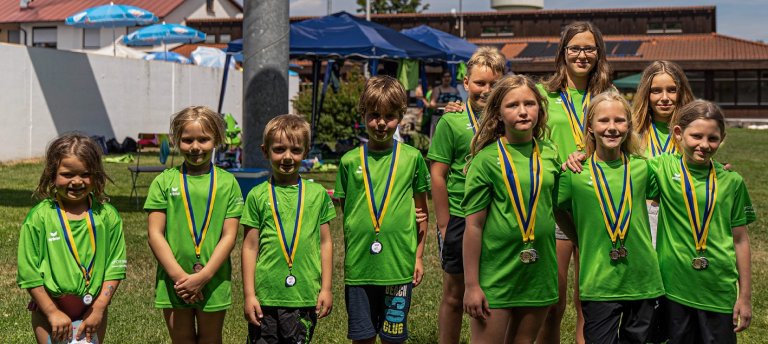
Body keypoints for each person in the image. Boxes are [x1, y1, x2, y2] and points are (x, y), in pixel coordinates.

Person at [556, 92, 665, 343]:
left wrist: (716, 168)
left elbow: (680, 180)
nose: (612, 127)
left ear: (629, 126)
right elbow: (557, 209)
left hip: (642, 280)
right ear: (590, 127)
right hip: (599, 282)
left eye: (619, 120)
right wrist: (578, 237)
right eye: (604, 120)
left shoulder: (642, 168)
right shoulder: (575, 173)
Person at [462, 75, 561, 343]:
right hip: (497, 275)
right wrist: (472, 285)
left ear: (539, 108)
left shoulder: (550, 152)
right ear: (498, 114)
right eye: (513, 105)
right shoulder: (486, 161)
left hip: (538, 273)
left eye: (529, 103)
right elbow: (474, 226)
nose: (523, 111)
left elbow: (560, 206)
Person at [334, 75, 430, 344]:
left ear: (400, 116)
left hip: (397, 267)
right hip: (360, 268)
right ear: (363, 115)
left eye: (389, 116)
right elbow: (348, 213)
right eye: (374, 115)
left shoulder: (412, 158)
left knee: (393, 338)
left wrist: (418, 257)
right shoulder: (348, 161)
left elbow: (422, 213)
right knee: (362, 337)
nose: (381, 123)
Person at [536, 21, 614, 344]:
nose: (582, 55)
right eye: (575, 48)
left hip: (598, 203)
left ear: (598, 53)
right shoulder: (543, 94)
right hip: (555, 203)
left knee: (588, 300)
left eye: (589, 49)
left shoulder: (607, 96)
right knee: (552, 301)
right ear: (563, 52)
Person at [651, 100, 754, 343]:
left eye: (713, 138)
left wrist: (745, 297)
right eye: (696, 136)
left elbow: (740, 240)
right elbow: (619, 167)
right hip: (674, 290)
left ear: (722, 139)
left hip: (718, 290)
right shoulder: (661, 169)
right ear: (678, 133)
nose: (704, 145)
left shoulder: (732, 181)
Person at [426, 46, 506, 344]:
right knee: (454, 293)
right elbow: (438, 174)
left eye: (494, 84)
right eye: (480, 83)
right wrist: (444, 224)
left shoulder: (508, 119)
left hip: (499, 216)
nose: (486, 90)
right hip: (461, 216)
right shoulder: (452, 121)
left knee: (494, 290)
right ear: (466, 83)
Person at [145, 106, 244, 343]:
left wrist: (204, 276)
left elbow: (229, 236)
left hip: (214, 278)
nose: (195, 147)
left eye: (203, 139)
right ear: (176, 141)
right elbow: (155, 234)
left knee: (211, 339)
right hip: (174, 282)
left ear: (216, 140)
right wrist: (180, 278)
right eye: (187, 140)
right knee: (182, 339)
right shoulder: (164, 182)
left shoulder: (228, 183)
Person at [17, 133, 126, 344]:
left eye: (85, 174)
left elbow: (116, 266)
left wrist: (99, 308)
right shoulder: (40, 217)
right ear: (52, 175)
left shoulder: (107, 216)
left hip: (93, 308)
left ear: (96, 175)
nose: (76, 181)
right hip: (49, 308)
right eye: (67, 174)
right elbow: (28, 272)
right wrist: (51, 311)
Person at [241, 114, 335, 343]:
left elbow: (325, 243)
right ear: (265, 151)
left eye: (295, 150)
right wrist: (249, 294)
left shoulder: (318, 195)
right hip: (266, 297)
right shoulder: (256, 195)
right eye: (279, 149)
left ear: (306, 151)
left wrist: (326, 288)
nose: (287, 157)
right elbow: (250, 247)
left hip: (304, 296)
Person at [630, 60, 695, 247]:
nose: (664, 98)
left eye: (672, 90)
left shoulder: (694, 131)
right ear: (646, 93)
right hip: (642, 218)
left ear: (681, 92)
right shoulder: (631, 131)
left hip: (683, 217)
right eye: (656, 91)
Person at [429, 71, 462, 137]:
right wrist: (448, 104)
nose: (447, 78)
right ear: (441, 78)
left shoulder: (455, 90)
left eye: (448, 77)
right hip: (439, 118)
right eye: (445, 77)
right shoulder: (437, 89)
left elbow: (460, 103)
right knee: (437, 137)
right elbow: (432, 104)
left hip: (452, 118)